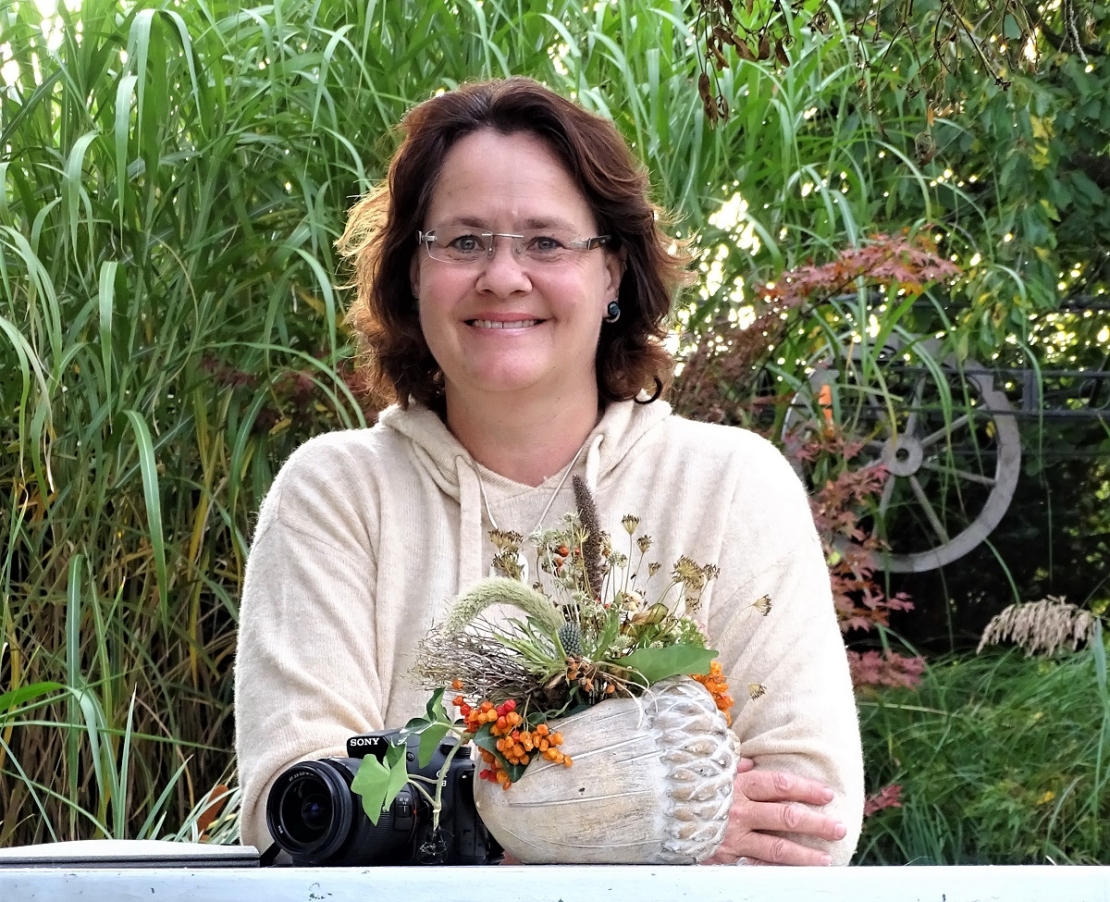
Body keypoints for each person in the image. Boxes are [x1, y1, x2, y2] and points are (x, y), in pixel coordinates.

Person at [234, 76, 864, 865]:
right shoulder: (335, 496)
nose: (503, 276)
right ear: (412, 275)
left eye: (546, 241)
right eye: (462, 242)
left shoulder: (734, 488)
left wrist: (456, 817)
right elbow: (297, 809)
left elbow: (805, 824)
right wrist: (652, 811)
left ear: (612, 274)